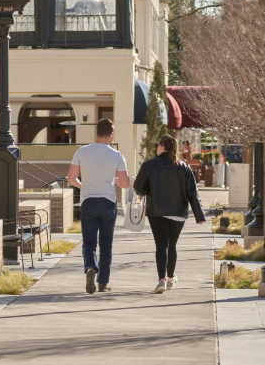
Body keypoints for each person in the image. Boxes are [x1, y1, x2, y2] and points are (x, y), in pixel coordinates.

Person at [134, 134, 206, 293]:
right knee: (171, 245)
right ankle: (171, 279)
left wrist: (147, 190)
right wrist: (199, 215)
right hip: (177, 212)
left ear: (160, 147)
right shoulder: (184, 166)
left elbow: (138, 187)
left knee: (161, 245)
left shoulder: (149, 165)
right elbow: (192, 193)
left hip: (156, 211)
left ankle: (161, 280)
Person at [68, 118, 129, 294]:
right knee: (106, 245)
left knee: (88, 243)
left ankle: (90, 267)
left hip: (88, 202)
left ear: (96, 133)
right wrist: (115, 181)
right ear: (111, 134)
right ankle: (103, 283)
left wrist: (84, 186)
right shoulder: (117, 155)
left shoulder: (82, 151)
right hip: (108, 202)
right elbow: (125, 183)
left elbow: (71, 178)